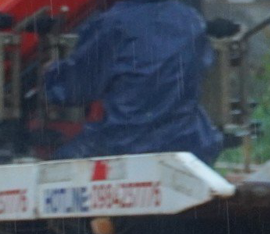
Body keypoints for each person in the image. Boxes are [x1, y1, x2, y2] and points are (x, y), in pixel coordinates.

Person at [42, 0, 224, 164]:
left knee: (57, 166)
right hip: (189, 140)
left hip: (127, 142)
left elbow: (75, 88)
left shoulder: (114, 23)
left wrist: (51, 75)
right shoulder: (191, 20)